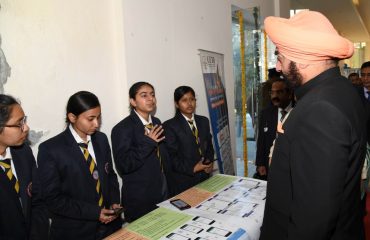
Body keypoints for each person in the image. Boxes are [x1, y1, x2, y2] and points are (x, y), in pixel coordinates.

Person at [260, 11, 366, 240]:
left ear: (304, 58)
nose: (278, 67)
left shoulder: (319, 111)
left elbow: (312, 222)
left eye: (281, 57)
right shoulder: (342, 90)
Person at [37, 91, 122, 240]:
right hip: (76, 231)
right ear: (72, 117)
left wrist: (114, 202)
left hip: (110, 228)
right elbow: (53, 199)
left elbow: (110, 175)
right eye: (91, 119)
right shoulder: (51, 149)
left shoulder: (101, 139)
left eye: (98, 117)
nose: (96, 124)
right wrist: (95, 213)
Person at [111, 82, 168, 222]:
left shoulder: (156, 121)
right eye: (144, 95)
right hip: (140, 198)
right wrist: (148, 142)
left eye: (152, 95)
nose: (150, 99)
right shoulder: (122, 128)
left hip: (162, 189)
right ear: (133, 101)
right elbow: (124, 165)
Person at [0, 94, 43, 239]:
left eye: (24, 120)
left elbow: (37, 201)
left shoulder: (23, 152)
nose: (26, 128)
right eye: (19, 123)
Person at [163, 86, 214, 196]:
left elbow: (209, 145)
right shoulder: (169, 126)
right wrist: (193, 168)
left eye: (192, 99)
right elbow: (172, 157)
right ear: (177, 104)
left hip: (205, 177)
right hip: (183, 181)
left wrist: (209, 163)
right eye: (184, 100)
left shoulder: (204, 121)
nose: (189, 103)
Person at [255, 78, 294, 180]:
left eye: (279, 92)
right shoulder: (266, 113)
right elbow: (261, 139)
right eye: (272, 93)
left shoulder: (298, 112)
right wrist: (260, 164)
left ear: (289, 94)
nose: (274, 96)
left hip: (291, 168)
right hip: (270, 167)